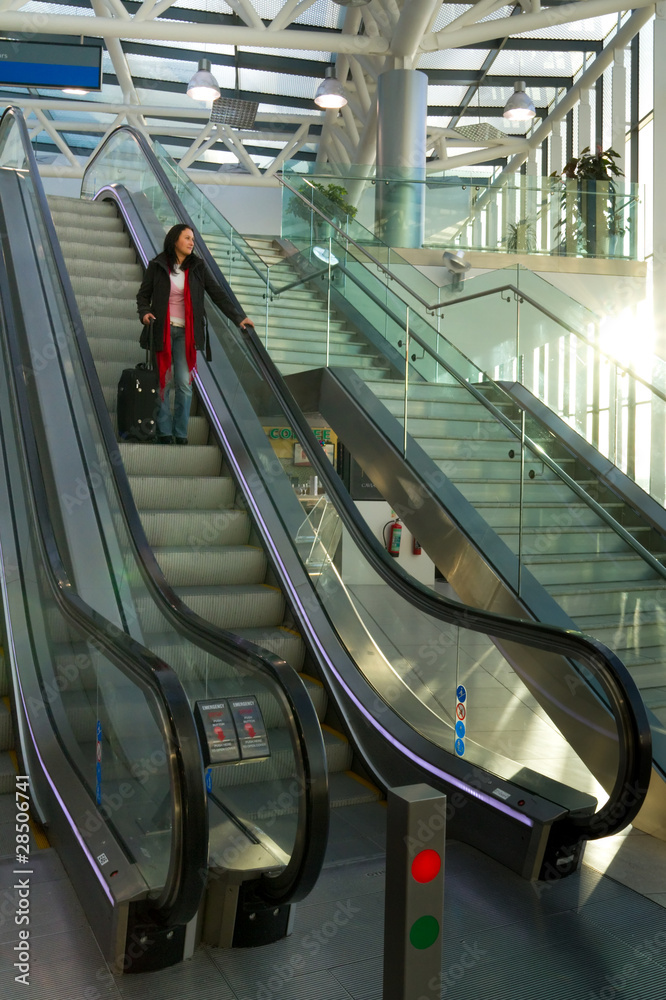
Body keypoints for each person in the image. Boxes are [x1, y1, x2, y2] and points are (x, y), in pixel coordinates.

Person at [136, 223, 254, 444]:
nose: (192, 242)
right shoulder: (158, 265)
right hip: (162, 330)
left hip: (186, 333)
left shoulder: (198, 267)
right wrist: (145, 313)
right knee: (163, 381)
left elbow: (216, 293)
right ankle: (163, 431)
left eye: (193, 239)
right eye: (187, 238)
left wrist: (238, 317)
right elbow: (143, 296)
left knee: (183, 383)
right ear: (175, 241)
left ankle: (180, 432)